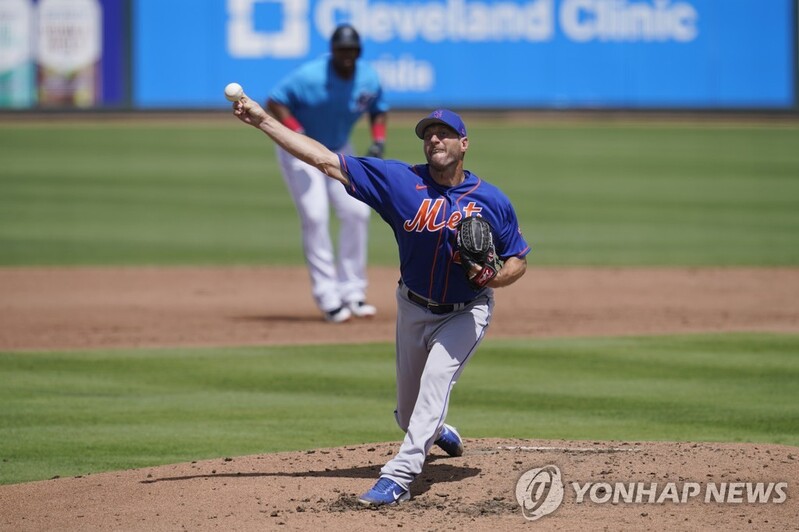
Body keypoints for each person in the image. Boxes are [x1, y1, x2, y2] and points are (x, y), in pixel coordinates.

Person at [232, 99, 530, 506]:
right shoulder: (399, 182)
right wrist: (264, 121)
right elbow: (323, 160)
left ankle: (398, 477)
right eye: (427, 134)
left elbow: (518, 259)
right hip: (412, 306)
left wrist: (496, 276)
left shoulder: (492, 200)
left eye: (443, 133)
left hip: (467, 311)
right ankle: (436, 431)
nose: (434, 139)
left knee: (436, 383)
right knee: (409, 417)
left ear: (464, 144)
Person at [266, 24, 389, 323]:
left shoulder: (368, 77)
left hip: (338, 148)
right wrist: (297, 133)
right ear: (332, 51)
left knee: (357, 213)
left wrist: (378, 139)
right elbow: (275, 101)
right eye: (341, 50)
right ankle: (328, 297)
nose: (347, 55)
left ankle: (353, 292)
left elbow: (378, 108)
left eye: (352, 50)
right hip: (300, 150)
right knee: (316, 215)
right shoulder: (310, 76)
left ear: (358, 52)